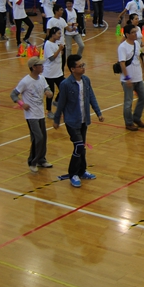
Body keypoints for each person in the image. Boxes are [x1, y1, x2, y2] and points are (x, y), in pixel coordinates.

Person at [52, 54, 103, 188]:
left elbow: (91, 96)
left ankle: (82, 171)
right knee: (79, 146)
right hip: (71, 121)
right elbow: (61, 103)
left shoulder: (86, 80)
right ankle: (73, 173)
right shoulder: (66, 84)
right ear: (73, 69)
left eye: (83, 65)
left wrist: (98, 113)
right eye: (80, 66)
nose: (83, 68)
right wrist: (56, 119)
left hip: (84, 120)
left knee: (82, 147)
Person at [11, 57, 53, 173]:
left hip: (40, 113)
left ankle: (41, 159)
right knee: (38, 137)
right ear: (34, 67)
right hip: (31, 115)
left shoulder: (42, 79)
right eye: (40, 65)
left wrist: (49, 93)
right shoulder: (25, 81)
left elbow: (47, 89)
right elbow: (13, 95)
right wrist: (21, 104)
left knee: (43, 137)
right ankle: (32, 161)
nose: (42, 67)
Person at [41, 26, 65, 117]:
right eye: (59, 33)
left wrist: (59, 52)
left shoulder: (55, 43)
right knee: (50, 93)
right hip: (49, 73)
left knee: (64, 87)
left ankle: (57, 101)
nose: (60, 35)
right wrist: (59, 50)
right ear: (53, 34)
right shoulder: (47, 44)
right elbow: (51, 58)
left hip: (58, 72)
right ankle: (49, 111)